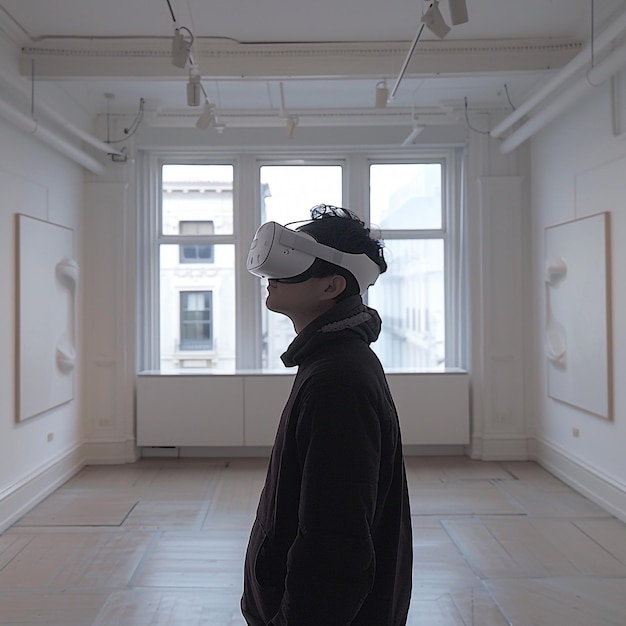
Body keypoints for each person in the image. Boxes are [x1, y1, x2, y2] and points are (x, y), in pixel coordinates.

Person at [241, 204, 413, 626]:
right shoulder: (333, 363)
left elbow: (335, 541)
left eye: (293, 266)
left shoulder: (338, 381)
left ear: (332, 286)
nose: (272, 278)